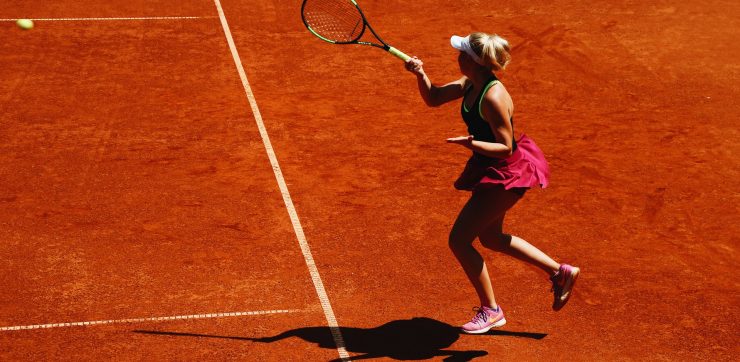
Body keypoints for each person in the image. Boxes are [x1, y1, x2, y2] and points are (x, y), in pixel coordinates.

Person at [404, 32, 580, 334]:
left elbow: (506, 147)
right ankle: (559, 272)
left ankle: (491, 310)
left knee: (459, 240)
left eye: (461, 53)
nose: (456, 56)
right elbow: (434, 98)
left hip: (506, 173)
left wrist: (472, 145)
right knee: (491, 238)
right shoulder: (471, 82)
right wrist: (420, 74)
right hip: (493, 168)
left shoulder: (493, 96)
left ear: (473, 61)